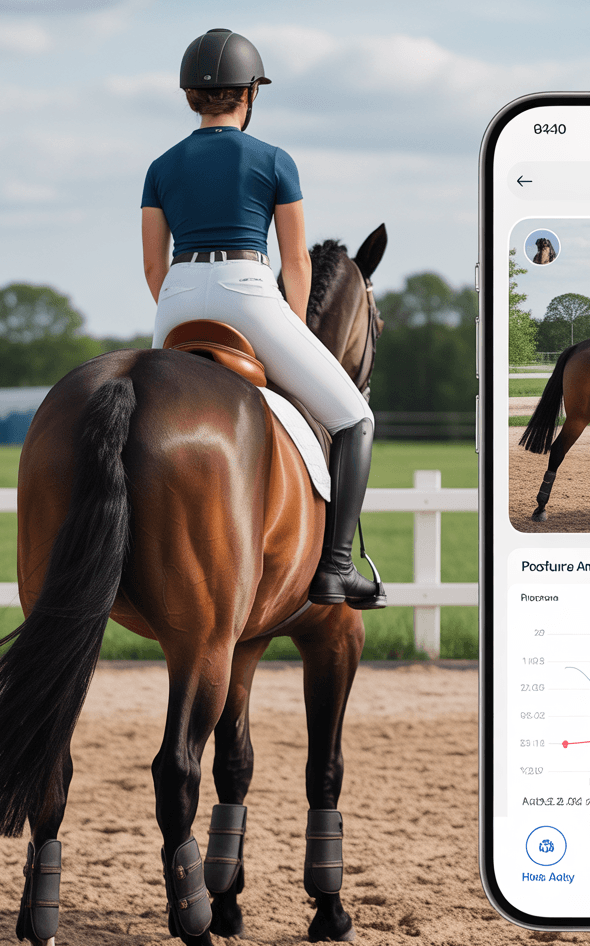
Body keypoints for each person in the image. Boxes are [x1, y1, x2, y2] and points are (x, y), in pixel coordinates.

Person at [141, 29, 385, 609]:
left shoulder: (160, 166)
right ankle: (336, 568)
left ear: (190, 96)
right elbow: (296, 261)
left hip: (176, 295)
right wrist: (295, 329)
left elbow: (153, 265)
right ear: (250, 92)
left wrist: (181, 307)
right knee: (355, 418)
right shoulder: (274, 160)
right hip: (247, 291)